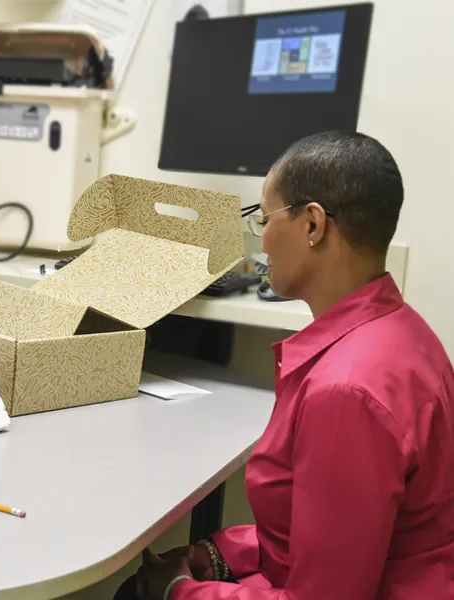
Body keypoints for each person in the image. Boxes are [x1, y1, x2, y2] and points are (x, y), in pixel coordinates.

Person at [125, 131, 454, 599]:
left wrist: (180, 589)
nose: (261, 242)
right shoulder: (404, 332)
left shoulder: (346, 392)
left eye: (264, 219)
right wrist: (226, 553)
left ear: (313, 225)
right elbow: (320, 535)